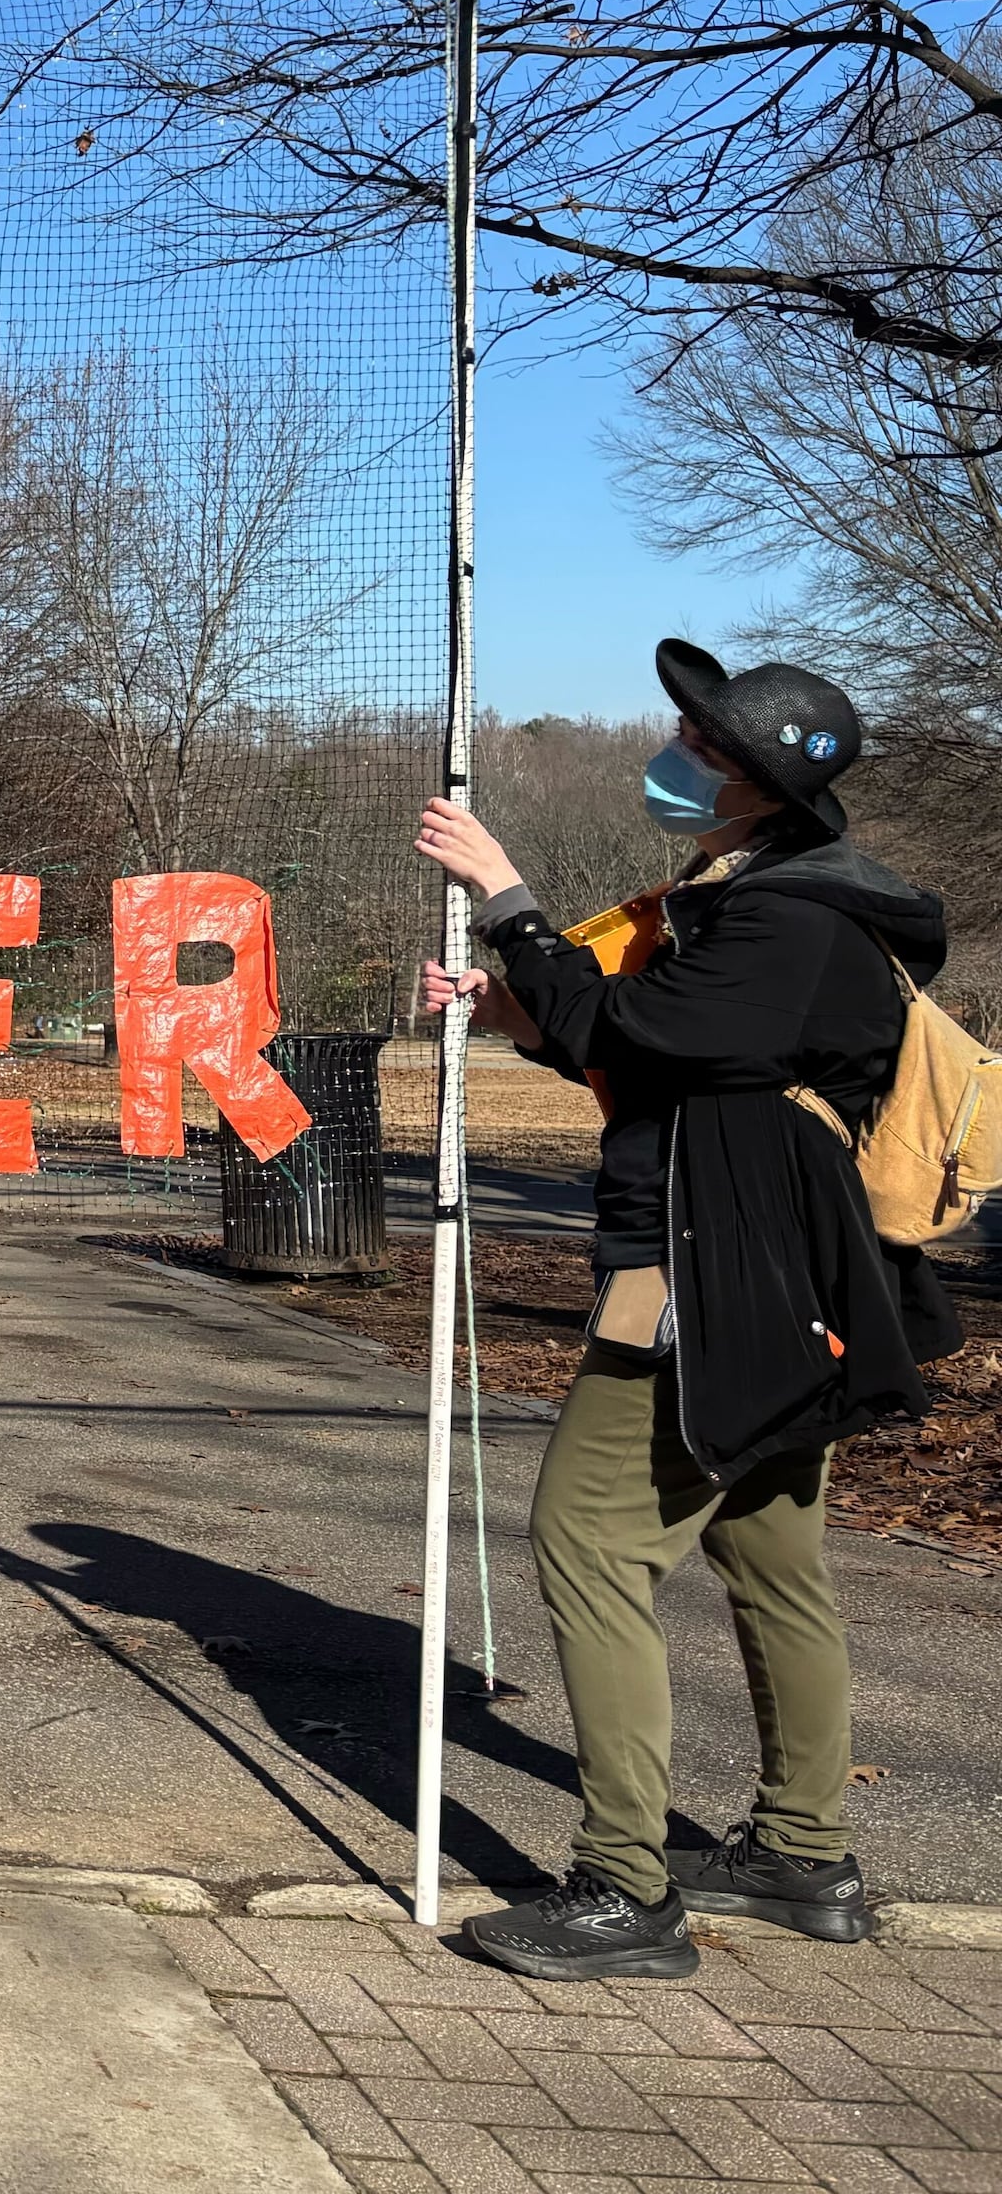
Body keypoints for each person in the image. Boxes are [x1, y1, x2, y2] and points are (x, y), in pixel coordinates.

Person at [415, 639, 961, 1980]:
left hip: (710, 1271)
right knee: (772, 1554)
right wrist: (517, 1007)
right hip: (787, 1276)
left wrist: (505, 895)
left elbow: (641, 1041)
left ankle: (623, 1893)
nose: (676, 763)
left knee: (589, 1541)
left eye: (701, 752)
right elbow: (636, 1030)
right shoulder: (773, 901)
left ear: (757, 791)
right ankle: (801, 1854)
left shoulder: (785, 920)